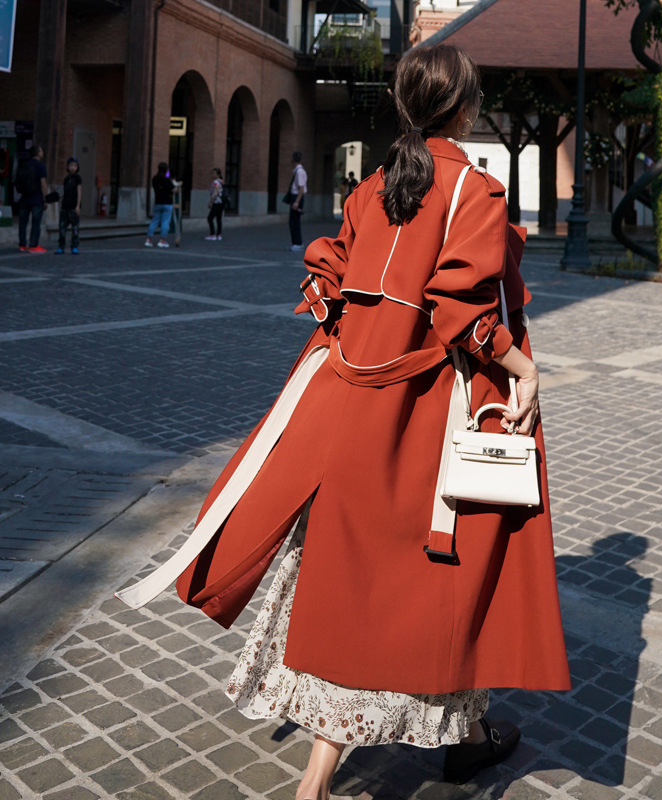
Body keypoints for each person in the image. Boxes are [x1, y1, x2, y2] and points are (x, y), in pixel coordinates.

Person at [116, 43, 570, 800]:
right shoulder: (474, 193)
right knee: (439, 579)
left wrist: (360, 340)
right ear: (462, 108)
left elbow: (325, 276)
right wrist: (525, 369)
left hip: (352, 412)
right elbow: (465, 311)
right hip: (426, 418)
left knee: (351, 584)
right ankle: (401, 756)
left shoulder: (374, 189)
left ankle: (413, 752)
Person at [16, 144, 49, 253]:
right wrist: (45, 199)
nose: (42, 153)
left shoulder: (24, 164)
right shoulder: (41, 166)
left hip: (24, 198)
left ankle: (22, 245)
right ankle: (33, 245)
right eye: (41, 151)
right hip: (36, 199)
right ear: (38, 153)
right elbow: (43, 184)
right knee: (36, 223)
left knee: (22, 223)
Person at [144, 162, 176, 248]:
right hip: (167, 202)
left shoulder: (155, 179)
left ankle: (149, 239)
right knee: (165, 222)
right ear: (166, 170)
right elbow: (174, 189)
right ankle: (162, 240)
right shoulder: (167, 179)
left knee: (154, 221)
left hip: (158, 202)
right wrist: (169, 175)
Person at [56, 157, 82, 255]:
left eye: (74, 166)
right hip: (65, 206)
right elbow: (65, 192)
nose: (72, 168)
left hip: (73, 206)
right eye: (71, 165)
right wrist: (59, 197)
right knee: (62, 228)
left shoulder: (78, 178)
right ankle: (61, 246)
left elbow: (79, 191)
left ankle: (74, 246)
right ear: (67, 167)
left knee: (75, 229)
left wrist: (78, 206)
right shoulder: (66, 179)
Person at [288, 151, 307, 251]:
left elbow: (301, 187)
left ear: (293, 159)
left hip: (297, 197)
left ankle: (298, 243)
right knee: (293, 221)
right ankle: (296, 242)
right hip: (296, 197)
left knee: (294, 221)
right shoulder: (298, 171)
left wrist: (296, 202)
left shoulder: (299, 172)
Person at [206, 167, 225, 241]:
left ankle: (212, 234)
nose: (212, 174)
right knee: (218, 218)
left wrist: (210, 202)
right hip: (221, 202)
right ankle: (219, 234)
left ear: (218, 174)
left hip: (216, 202)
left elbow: (216, 192)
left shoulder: (215, 182)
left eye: (214, 173)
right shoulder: (221, 182)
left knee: (210, 218)